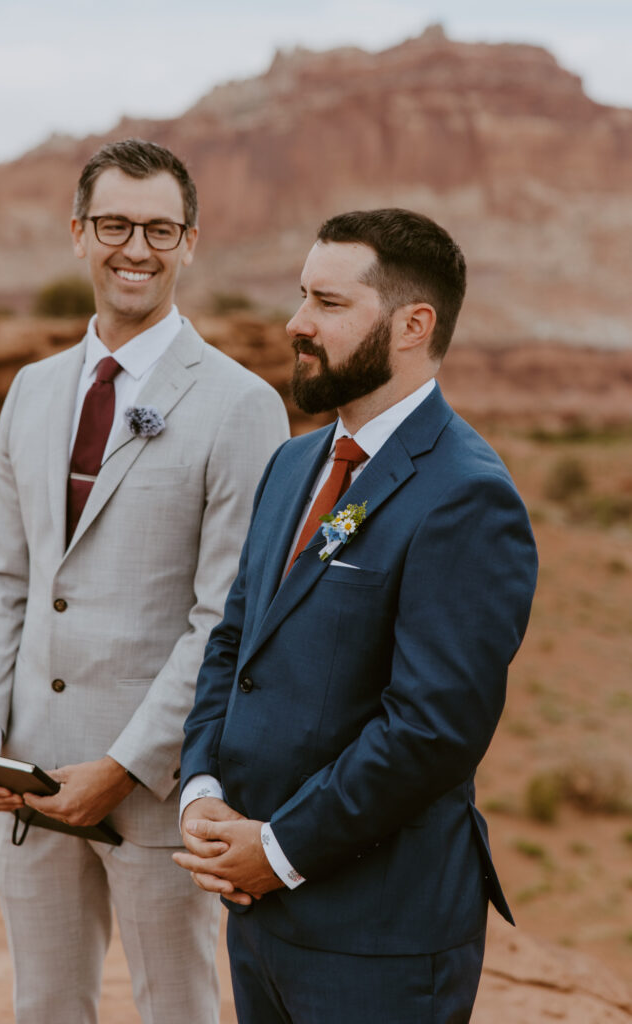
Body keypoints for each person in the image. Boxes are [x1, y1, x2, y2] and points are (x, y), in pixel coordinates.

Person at [0, 138, 289, 1024]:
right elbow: (0, 578)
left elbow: (225, 616)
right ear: (77, 233)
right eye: (113, 225)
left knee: (176, 1007)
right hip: (27, 780)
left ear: (190, 242)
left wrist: (125, 766)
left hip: (157, 791)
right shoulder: (30, 390)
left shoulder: (241, 403)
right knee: (46, 1007)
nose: (134, 248)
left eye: (157, 229)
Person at [173, 208, 539, 1023]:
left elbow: (432, 729)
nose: (297, 324)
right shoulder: (294, 462)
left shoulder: (465, 495)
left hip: (380, 939)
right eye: (302, 296)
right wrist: (200, 787)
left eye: (330, 305)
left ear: (414, 325)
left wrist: (278, 848)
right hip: (258, 918)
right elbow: (235, 642)